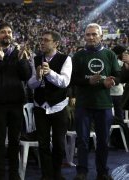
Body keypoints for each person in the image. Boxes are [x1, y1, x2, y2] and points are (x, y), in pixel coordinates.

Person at [0, 22, 31, 180]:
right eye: (3, 32)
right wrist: (0, 60)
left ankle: (14, 173)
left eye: (9, 32)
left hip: (16, 103)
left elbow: (26, 76)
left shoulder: (19, 53)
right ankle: (1, 174)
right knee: (0, 141)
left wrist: (23, 60)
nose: (7, 34)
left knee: (15, 140)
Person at [72, 23, 120, 180]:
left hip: (104, 104)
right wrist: (88, 82)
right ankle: (82, 172)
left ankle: (102, 172)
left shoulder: (110, 55)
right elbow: (72, 79)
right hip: (83, 104)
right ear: (84, 37)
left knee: (103, 142)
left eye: (94, 34)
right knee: (83, 141)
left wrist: (113, 81)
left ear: (101, 36)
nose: (91, 37)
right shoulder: (78, 56)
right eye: (88, 34)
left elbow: (118, 75)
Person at [28, 31, 72, 180]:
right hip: (40, 106)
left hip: (58, 107)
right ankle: (46, 175)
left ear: (56, 43)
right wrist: (38, 77)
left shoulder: (66, 59)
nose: (43, 42)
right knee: (43, 144)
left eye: (46, 40)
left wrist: (49, 73)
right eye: (42, 40)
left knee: (59, 144)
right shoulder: (35, 59)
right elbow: (31, 84)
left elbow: (64, 82)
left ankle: (57, 173)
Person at [110, 45, 126, 120]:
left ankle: (117, 131)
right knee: (119, 114)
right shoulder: (120, 63)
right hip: (116, 92)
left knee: (116, 114)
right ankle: (119, 130)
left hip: (114, 92)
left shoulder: (122, 63)